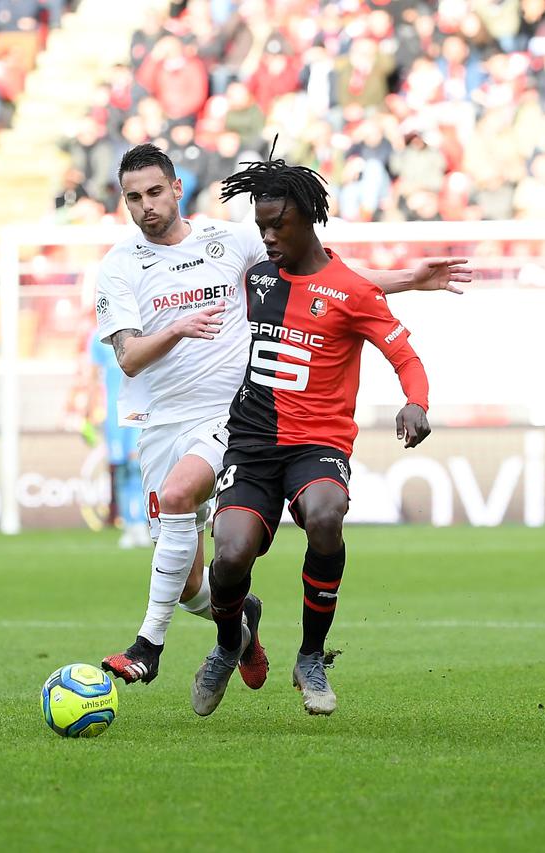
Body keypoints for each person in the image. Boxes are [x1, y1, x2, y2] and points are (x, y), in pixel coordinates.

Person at [95, 143, 468, 687]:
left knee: (181, 498)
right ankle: (241, 623)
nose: (147, 205)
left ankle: (148, 645)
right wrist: (175, 329)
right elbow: (128, 358)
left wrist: (405, 280)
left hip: (231, 416)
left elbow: (321, 276)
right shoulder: (118, 267)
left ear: (178, 189)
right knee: (193, 580)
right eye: (134, 197)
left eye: (155, 191)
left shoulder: (230, 239)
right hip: (160, 421)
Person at [189, 155, 432, 718]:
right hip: (250, 443)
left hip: (317, 442)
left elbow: (406, 356)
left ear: (309, 219)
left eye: (278, 226)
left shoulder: (353, 291)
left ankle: (311, 657)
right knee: (228, 558)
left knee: (325, 515)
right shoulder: (256, 279)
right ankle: (232, 641)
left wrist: (416, 403)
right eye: (262, 228)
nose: (269, 237)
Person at [85, 326, 149, 548]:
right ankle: (128, 525)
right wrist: (90, 413)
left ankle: (141, 522)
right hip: (113, 415)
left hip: (137, 408)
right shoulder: (97, 337)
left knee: (137, 467)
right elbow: (93, 379)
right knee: (120, 469)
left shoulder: (139, 331)